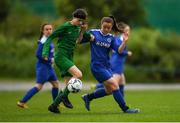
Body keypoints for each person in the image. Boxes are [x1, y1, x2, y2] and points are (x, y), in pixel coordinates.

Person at [80, 16, 139, 113]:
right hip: (97, 67)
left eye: (109, 28)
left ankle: (88, 97)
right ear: (101, 25)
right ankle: (125, 109)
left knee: (109, 91)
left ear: (111, 27)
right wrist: (82, 31)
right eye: (104, 27)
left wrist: (124, 42)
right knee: (115, 85)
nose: (107, 29)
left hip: (107, 67)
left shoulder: (111, 38)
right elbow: (78, 41)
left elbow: (119, 51)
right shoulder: (93, 33)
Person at [42, 8, 93, 113]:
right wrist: (45, 52)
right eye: (78, 20)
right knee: (78, 74)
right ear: (73, 17)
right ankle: (64, 97)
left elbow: (78, 41)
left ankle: (54, 106)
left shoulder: (78, 28)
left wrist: (84, 31)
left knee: (68, 84)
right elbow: (50, 37)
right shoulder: (66, 26)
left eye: (82, 21)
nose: (80, 23)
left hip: (69, 57)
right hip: (61, 56)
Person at [17, 23, 59, 109]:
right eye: (46, 29)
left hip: (49, 67)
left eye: (50, 29)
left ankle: (55, 104)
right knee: (39, 86)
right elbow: (38, 54)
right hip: (43, 67)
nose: (49, 31)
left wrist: (51, 60)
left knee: (56, 84)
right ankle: (22, 102)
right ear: (43, 31)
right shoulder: (43, 41)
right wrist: (49, 60)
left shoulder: (48, 39)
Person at [96, 22, 132, 98]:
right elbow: (118, 51)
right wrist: (127, 53)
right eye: (127, 30)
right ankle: (97, 87)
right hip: (116, 63)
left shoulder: (123, 39)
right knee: (113, 85)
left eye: (129, 30)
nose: (128, 32)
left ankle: (123, 100)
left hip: (119, 63)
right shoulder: (118, 39)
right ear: (123, 31)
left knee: (122, 82)